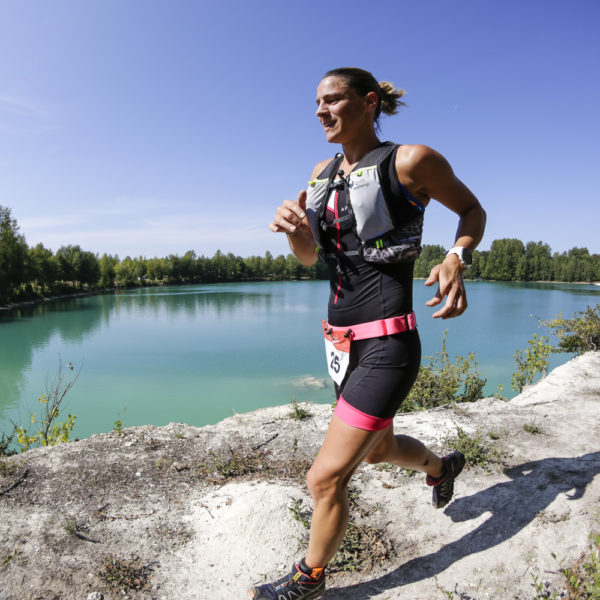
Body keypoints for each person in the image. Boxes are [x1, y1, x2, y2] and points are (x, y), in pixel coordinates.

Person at [249, 67, 486, 600]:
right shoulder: (319, 173)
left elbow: (472, 209)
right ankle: (442, 466)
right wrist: (297, 234)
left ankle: (307, 578)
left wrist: (456, 256)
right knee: (377, 451)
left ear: (369, 102)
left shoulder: (411, 160)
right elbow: (313, 258)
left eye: (334, 99)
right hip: (339, 343)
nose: (320, 111)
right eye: (316, 102)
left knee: (325, 478)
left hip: (388, 344)